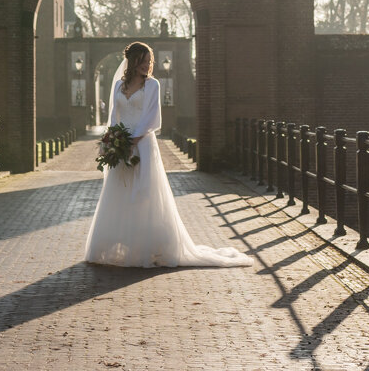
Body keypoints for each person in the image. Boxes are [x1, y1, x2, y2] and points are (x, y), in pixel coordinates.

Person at [84, 41, 251, 268]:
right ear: (132, 61)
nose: (146, 65)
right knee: (120, 190)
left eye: (149, 62)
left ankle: (148, 248)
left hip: (142, 144)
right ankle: (117, 245)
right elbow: (114, 116)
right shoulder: (118, 87)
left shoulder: (152, 85)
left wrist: (133, 140)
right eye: (142, 61)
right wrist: (113, 139)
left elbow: (153, 118)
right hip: (121, 145)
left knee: (144, 193)